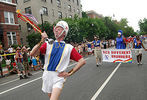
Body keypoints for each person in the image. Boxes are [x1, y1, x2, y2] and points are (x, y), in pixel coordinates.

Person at [30, 21, 86, 100]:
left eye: (59, 29)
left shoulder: (69, 47)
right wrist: (42, 40)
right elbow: (32, 53)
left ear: (64, 33)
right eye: (55, 29)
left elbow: (82, 61)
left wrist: (69, 73)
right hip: (47, 75)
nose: (56, 30)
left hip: (58, 76)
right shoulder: (48, 44)